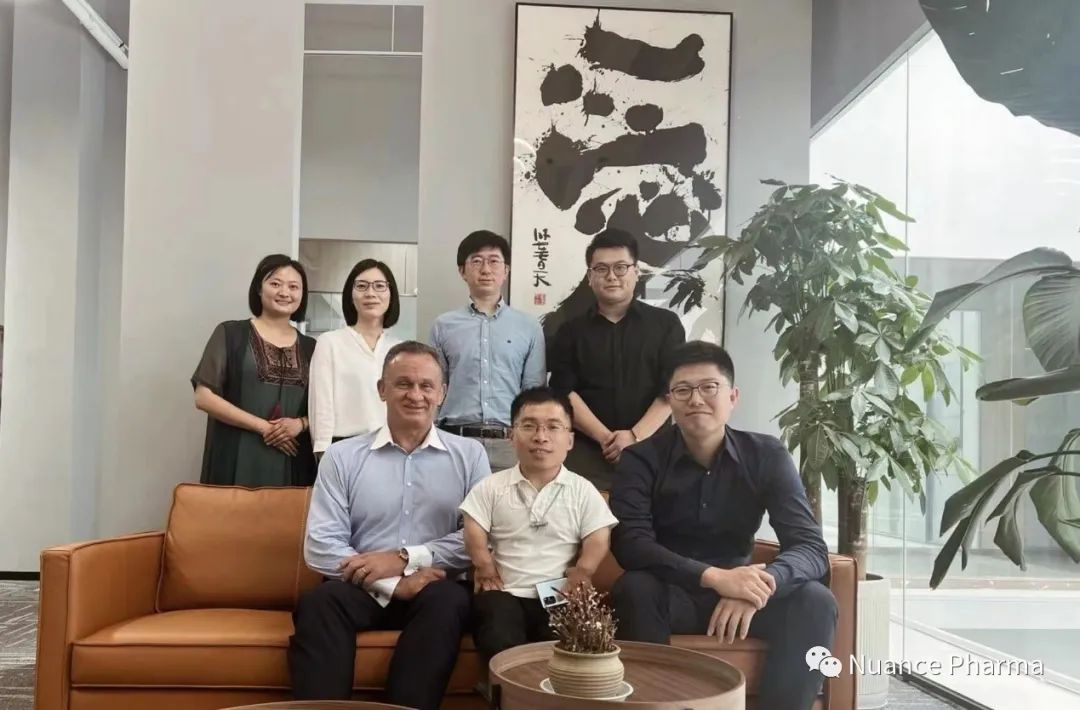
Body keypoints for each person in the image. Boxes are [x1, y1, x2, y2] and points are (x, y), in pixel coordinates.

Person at [609, 341, 836, 710]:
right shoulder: (640, 459)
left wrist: (760, 585)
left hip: (744, 597)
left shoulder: (766, 455)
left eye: (709, 387)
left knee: (816, 601)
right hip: (671, 594)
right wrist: (715, 578)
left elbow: (810, 547)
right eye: (683, 390)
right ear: (670, 401)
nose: (696, 399)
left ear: (732, 397)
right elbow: (630, 544)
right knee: (634, 588)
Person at [288, 340, 491, 709]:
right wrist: (393, 583)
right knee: (319, 603)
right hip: (360, 588)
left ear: (442, 393)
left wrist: (404, 558)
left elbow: (478, 538)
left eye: (426, 385)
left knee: (449, 601)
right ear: (382, 389)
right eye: (403, 384)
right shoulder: (342, 457)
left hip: (434, 587)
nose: (416, 395)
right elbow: (321, 544)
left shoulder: (470, 455)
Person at [459, 387, 617, 668]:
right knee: (495, 623)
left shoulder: (582, 489)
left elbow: (598, 535)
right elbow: (473, 526)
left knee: (568, 642)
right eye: (529, 426)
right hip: (504, 591)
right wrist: (483, 564)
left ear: (570, 440)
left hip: (560, 593)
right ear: (511, 436)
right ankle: (505, 688)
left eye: (553, 427)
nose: (541, 437)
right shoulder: (492, 486)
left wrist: (584, 570)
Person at [549, 228, 685, 490]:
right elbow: (564, 392)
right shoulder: (570, 331)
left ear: (637, 271)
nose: (611, 276)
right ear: (590, 277)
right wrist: (607, 439)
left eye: (621, 267)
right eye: (601, 269)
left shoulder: (666, 325)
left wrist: (634, 437)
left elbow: (672, 388)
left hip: (653, 455)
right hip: (587, 460)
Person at [192, 253, 317, 487]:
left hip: (293, 460)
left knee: (288, 511)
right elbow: (203, 397)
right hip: (235, 455)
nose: (285, 292)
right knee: (231, 509)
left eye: (293, 287)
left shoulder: (313, 348)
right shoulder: (231, 334)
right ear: (259, 288)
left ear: (302, 294)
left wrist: (300, 424)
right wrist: (264, 427)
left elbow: (328, 406)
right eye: (275, 283)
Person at [430, 230, 546, 472]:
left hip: (510, 444)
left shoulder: (529, 326)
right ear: (462, 271)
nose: (485, 269)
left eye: (494, 261)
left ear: (506, 270)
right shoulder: (443, 325)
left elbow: (533, 392)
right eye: (476, 261)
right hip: (455, 441)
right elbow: (434, 389)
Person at [308, 259, 403, 457]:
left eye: (379, 286)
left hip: (392, 448)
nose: (370, 293)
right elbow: (322, 405)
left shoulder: (400, 349)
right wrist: (322, 451)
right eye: (361, 286)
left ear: (391, 295)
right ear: (350, 296)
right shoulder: (330, 342)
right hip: (344, 448)